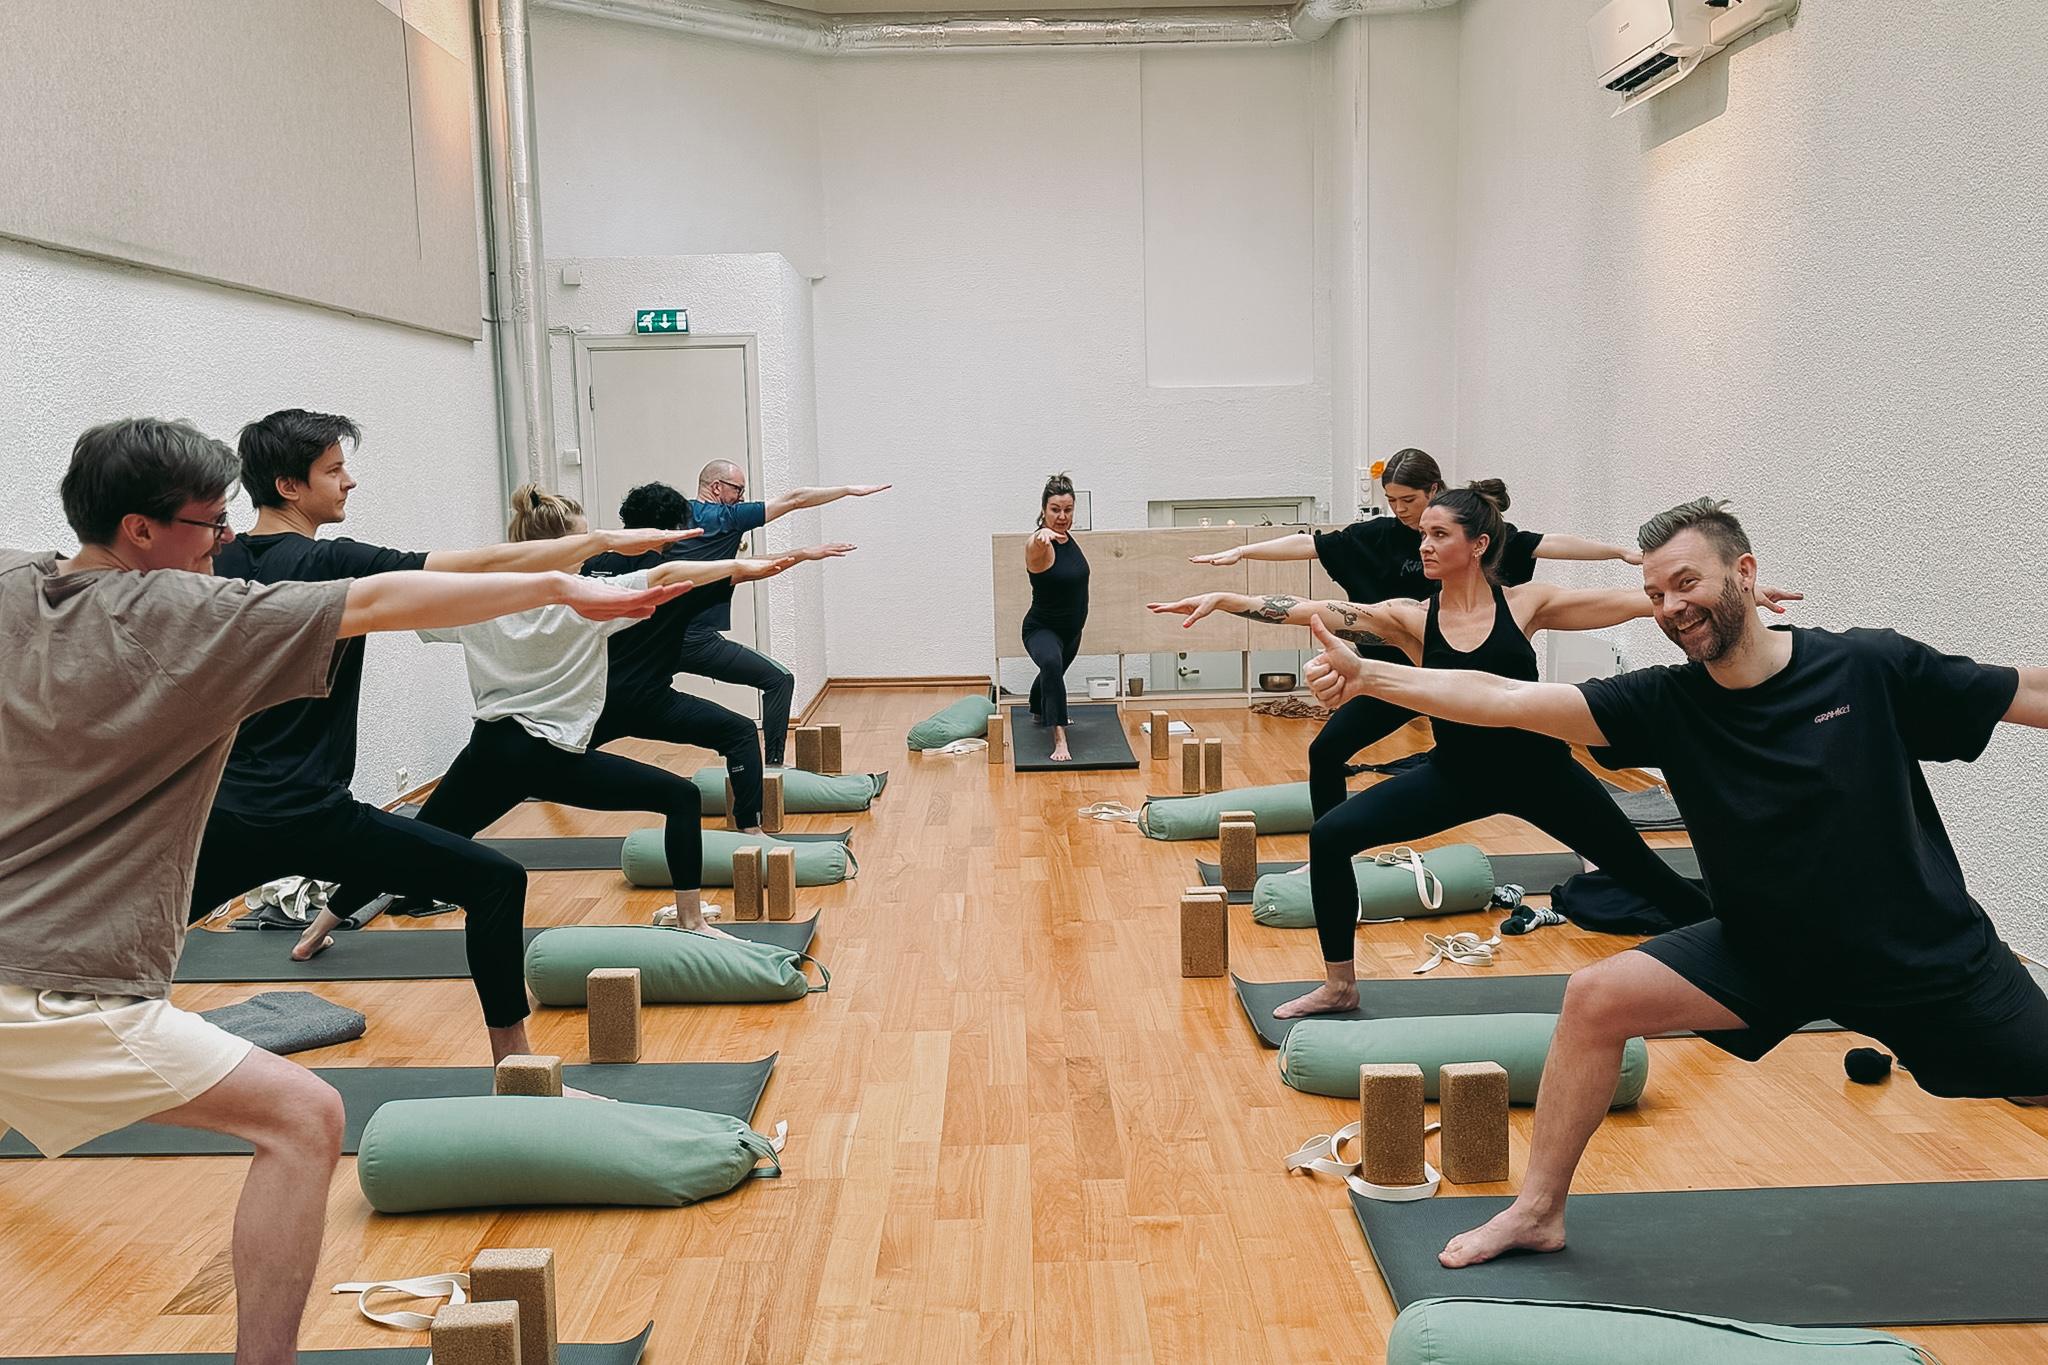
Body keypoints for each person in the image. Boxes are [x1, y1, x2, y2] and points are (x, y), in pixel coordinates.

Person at [0, 418, 683, 1364]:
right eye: (208, 523)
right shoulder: (188, 616)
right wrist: (561, 583)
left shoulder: (15, 583)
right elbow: (380, 597)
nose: (224, 541)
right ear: (142, 531)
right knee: (306, 1115)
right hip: (51, 985)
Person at [1298, 496, 2048, 1269]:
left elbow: (2023, 691)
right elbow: (1506, 698)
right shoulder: (1668, 701)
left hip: (1923, 953)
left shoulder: (1867, 665)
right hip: (1764, 952)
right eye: (1656, 594)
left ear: (1746, 573)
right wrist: (1372, 674)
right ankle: (1536, 1211)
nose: (1671, 608)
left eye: (1686, 583)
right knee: (1595, 1000)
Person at [1153, 481, 1800, 1019]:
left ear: (1479, 543)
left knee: (1653, 881)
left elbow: (1634, 601)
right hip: (1455, 774)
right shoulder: (1411, 617)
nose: (1424, 544)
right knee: (1330, 837)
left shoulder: (1527, 603)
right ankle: (1341, 983)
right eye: (1423, 533)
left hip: (1544, 772)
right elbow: (1310, 607)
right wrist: (1228, 599)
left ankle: (1755, 959)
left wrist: (1732, 595)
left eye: (1439, 533)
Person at [188, 409, 689, 1060]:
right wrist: (593, 549)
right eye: (334, 471)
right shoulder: (333, 561)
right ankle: (516, 1066)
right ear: (289, 485)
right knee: (495, 882)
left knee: (113, 931)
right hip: (310, 810)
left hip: (223, 810)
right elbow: (463, 567)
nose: (349, 482)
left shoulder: (217, 560)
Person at [1190, 449, 1640, 816]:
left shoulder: (1499, 565)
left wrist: (1621, 554)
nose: (1406, 516)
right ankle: (1326, 844)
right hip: (1394, 673)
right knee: (1327, 754)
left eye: (1411, 502)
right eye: (1394, 502)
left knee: (1558, 788)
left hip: (1472, 685)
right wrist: (1241, 562)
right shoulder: (1393, 571)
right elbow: (1313, 554)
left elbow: (1551, 546)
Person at [584, 480, 855, 829]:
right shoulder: (673, 578)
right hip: (650, 701)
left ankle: (541, 779)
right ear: (672, 529)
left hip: (596, 698)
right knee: (740, 733)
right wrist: (802, 554)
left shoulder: (592, 567)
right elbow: (749, 568)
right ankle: (749, 828)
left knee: (558, 752)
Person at [658, 464, 890, 767]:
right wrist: (847, 490)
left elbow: (743, 569)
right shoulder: (728, 518)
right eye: (737, 489)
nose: (741, 497)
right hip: (693, 640)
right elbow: (795, 499)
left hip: (654, 638)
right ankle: (773, 766)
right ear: (716, 487)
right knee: (779, 680)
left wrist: (805, 552)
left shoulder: (677, 517)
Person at [1022, 473, 1088, 763]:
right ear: (1043, 510)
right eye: (1055, 510)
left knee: (1053, 672)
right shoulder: (1039, 544)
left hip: (1072, 632)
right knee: (1050, 663)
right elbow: (1033, 548)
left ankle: (1037, 707)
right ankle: (1059, 738)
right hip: (1041, 629)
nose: (1062, 516)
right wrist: (1041, 538)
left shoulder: (1068, 539)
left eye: (1067, 510)